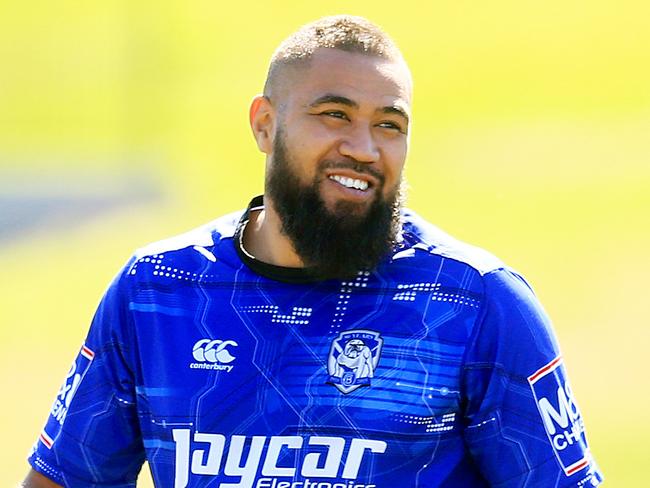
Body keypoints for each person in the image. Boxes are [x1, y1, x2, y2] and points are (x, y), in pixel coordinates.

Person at [23, 15, 603, 488]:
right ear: (265, 125)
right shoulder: (158, 291)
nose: (364, 147)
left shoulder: (472, 302)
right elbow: (63, 479)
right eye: (335, 115)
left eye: (389, 125)